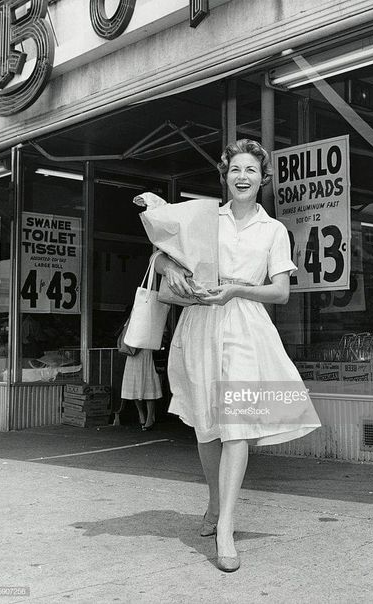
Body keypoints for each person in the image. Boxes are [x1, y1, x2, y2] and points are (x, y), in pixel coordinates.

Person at [154, 139, 321, 572]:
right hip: (200, 325)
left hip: (246, 327)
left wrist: (236, 290)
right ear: (224, 176)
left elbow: (281, 292)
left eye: (251, 170)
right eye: (235, 170)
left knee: (237, 425)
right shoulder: (206, 216)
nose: (242, 177)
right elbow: (163, 254)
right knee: (207, 426)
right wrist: (169, 266)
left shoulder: (273, 230)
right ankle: (213, 502)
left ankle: (225, 526)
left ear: (263, 179)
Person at [116, 311, 162, 430]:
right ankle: (142, 413)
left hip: (145, 353)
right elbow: (123, 335)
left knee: (148, 385)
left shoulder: (153, 318)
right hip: (133, 354)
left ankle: (149, 416)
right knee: (135, 386)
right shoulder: (131, 318)